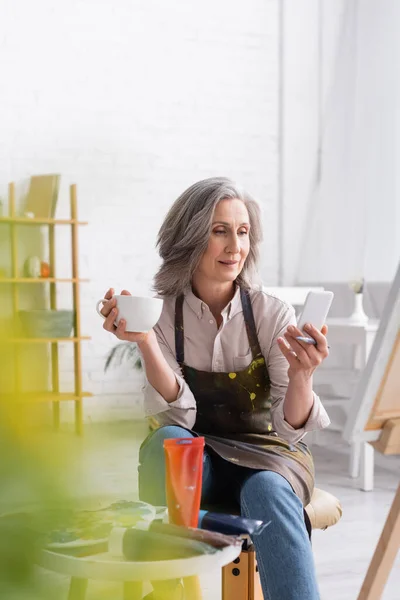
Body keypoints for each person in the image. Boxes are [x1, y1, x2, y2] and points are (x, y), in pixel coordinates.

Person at [100, 177, 331, 600]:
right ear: (190, 238)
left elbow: (291, 428)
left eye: (242, 232)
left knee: (265, 489)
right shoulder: (163, 315)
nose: (235, 246)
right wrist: (147, 341)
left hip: (269, 456)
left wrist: (303, 376)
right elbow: (178, 417)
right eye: (219, 230)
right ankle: (173, 589)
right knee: (166, 442)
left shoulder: (271, 313)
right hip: (201, 458)